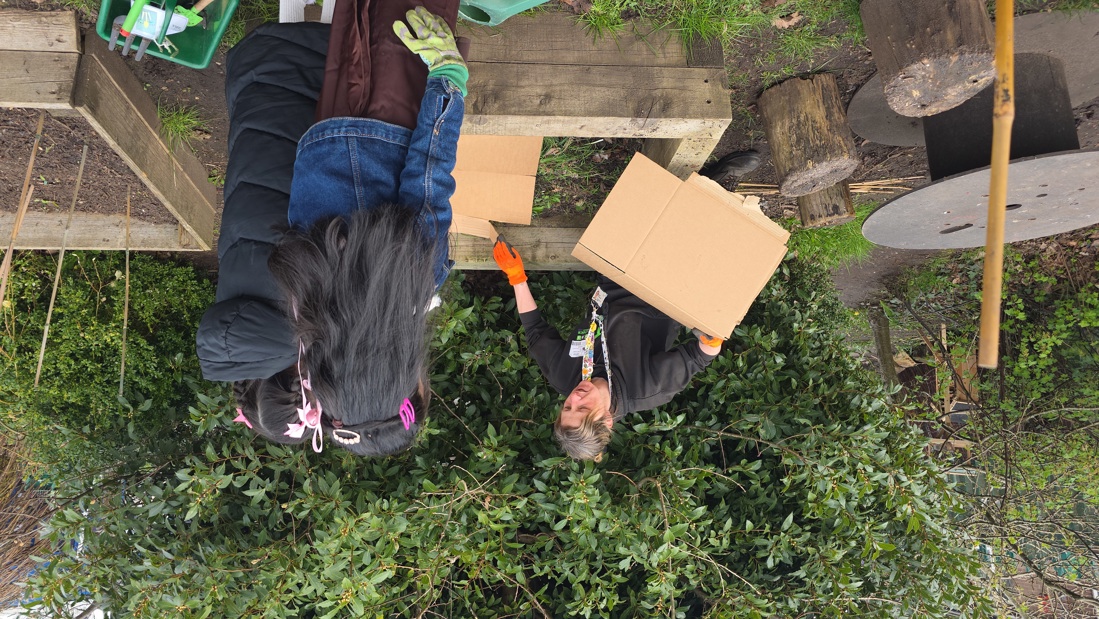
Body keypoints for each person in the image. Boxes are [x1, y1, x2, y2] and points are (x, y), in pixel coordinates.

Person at [196, 6, 467, 456]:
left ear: (403, 383)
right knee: (357, 16)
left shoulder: (412, 284)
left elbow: (429, 175)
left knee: (405, 16)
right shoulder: (309, 299)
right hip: (328, 121)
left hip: (394, 116)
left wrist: (448, 80)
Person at [492, 239, 724, 461]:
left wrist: (517, 277)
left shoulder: (563, 378)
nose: (575, 396)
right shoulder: (647, 389)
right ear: (607, 420)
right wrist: (711, 339)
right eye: (582, 408)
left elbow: (535, 333)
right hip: (660, 284)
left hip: (612, 274)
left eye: (567, 406)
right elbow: (699, 356)